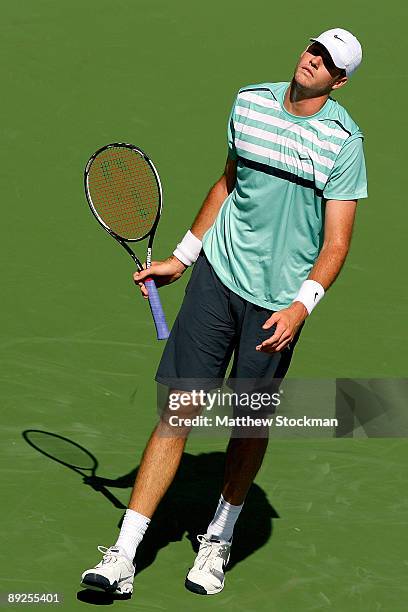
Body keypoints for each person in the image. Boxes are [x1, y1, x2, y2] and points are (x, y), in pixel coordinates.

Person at [81, 27, 367, 597]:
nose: (313, 60)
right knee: (178, 412)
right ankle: (125, 551)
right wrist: (183, 258)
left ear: (339, 81)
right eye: (313, 49)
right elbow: (229, 184)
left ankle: (218, 538)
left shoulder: (343, 142)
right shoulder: (249, 104)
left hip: (277, 303)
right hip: (218, 277)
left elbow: (336, 243)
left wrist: (299, 307)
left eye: (327, 61)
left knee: (247, 422)